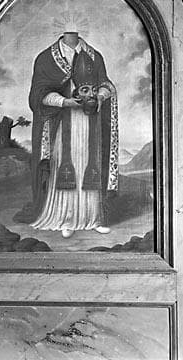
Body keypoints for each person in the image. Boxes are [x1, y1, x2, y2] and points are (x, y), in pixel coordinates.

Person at [29, 31, 118, 238]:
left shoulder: (94, 56)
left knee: (89, 163)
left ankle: (93, 217)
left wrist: (99, 96)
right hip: (62, 123)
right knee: (65, 163)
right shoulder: (46, 58)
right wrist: (64, 102)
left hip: (90, 123)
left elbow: (106, 84)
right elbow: (38, 94)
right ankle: (65, 218)